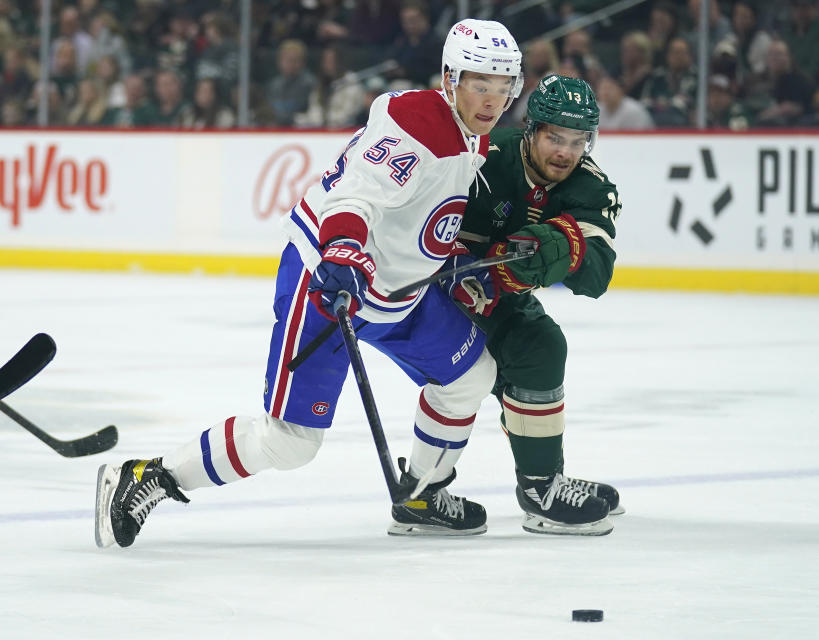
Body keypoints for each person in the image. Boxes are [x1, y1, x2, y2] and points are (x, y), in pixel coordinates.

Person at [94, 18, 524, 548]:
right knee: (290, 443)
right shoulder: (419, 123)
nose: (493, 100)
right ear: (451, 79)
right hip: (330, 279)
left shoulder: (472, 136)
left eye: (504, 87)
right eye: (481, 84)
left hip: (395, 292)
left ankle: (422, 495)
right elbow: (356, 194)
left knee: (470, 377)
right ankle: (151, 476)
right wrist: (343, 250)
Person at [456, 74, 623, 536]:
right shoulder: (484, 158)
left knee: (539, 348)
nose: (565, 152)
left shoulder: (590, 188)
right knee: (498, 365)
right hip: (438, 296)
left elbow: (597, 274)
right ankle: (425, 494)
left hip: (498, 300)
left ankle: (543, 483)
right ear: (531, 129)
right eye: (555, 137)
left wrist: (556, 245)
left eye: (577, 140)